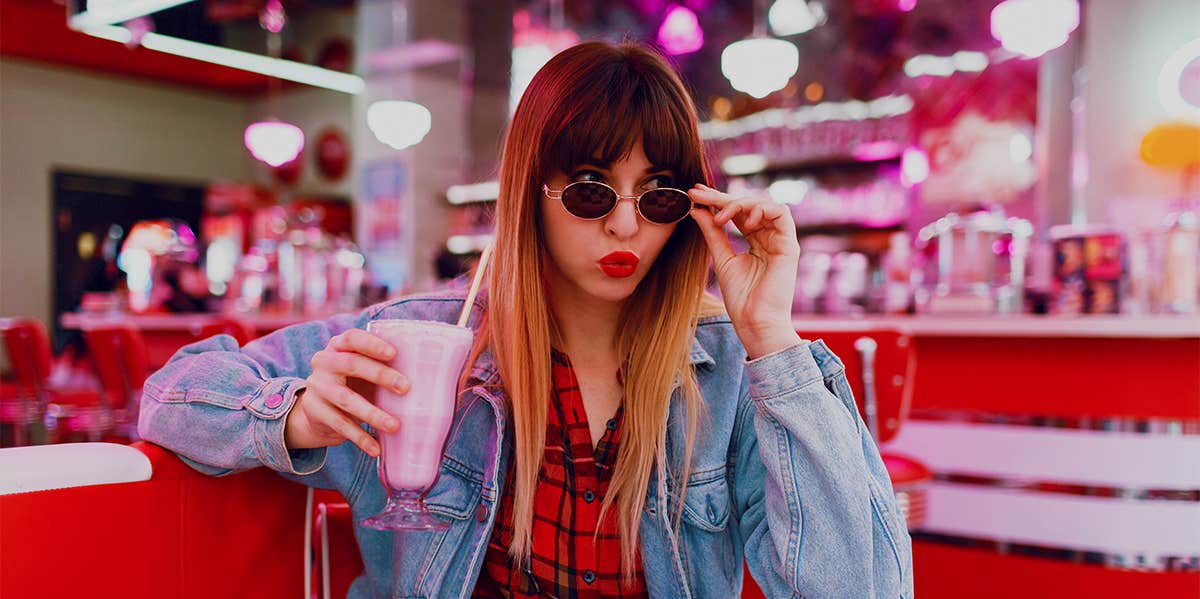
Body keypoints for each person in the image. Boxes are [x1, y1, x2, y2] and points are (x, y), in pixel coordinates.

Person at [139, 41, 912, 598]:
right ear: (529, 191)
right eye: (588, 187)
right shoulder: (426, 337)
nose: (624, 225)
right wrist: (297, 416)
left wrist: (774, 338)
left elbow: (865, 589)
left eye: (659, 195)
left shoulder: (730, 368)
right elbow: (169, 394)